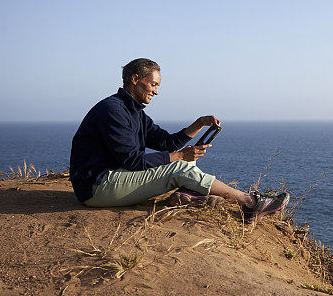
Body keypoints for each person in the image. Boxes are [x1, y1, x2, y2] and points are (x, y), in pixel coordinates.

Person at [69, 58, 287, 222]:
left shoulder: (133, 111)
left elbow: (166, 142)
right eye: (153, 84)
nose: (156, 91)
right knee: (180, 166)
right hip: (96, 188)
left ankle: (188, 194)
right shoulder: (113, 111)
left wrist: (198, 124)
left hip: (113, 178)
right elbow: (132, 162)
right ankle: (250, 203)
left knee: (186, 163)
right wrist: (180, 156)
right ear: (135, 80)